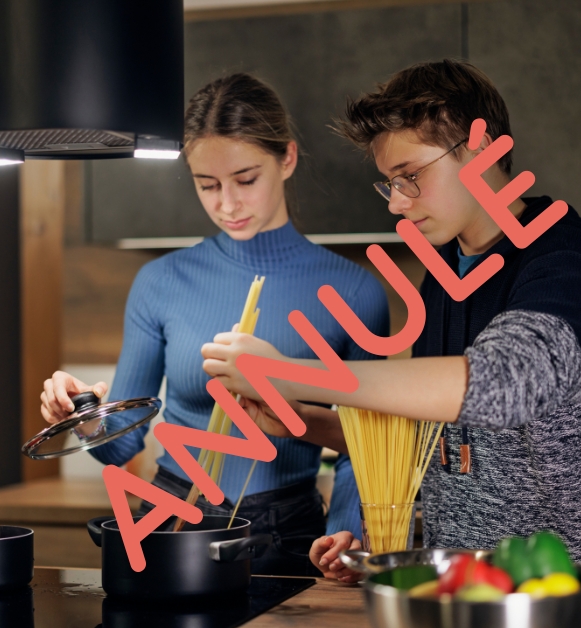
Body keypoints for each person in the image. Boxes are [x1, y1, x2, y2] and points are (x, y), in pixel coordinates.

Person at [200, 59, 581, 589]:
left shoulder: (564, 256)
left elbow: (505, 384)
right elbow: (437, 441)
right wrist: (304, 421)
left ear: (483, 150)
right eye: (390, 183)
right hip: (470, 595)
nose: (397, 204)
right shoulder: (443, 272)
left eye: (411, 176)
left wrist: (290, 373)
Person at [40, 73, 389, 577]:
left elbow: (365, 442)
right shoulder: (160, 280)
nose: (227, 203)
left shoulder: (354, 292)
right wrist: (85, 415)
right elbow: (121, 444)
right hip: (168, 516)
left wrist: (347, 524)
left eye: (246, 180)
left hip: (287, 528)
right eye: (208, 185)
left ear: (286, 158)